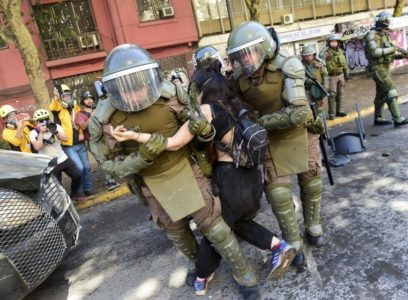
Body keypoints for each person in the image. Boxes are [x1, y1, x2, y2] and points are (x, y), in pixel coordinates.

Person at [110, 65, 297, 295]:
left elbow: (174, 143)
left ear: (202, 89)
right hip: (251, 178)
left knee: (216, 230)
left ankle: (201, 274)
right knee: (235, 224)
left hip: (230, 179)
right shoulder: (236, 104)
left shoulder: (207, 111)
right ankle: (278, 246)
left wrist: (135, 136)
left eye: (194, 88)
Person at [91, 44, 259, 299]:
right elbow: (109, 167)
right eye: (125, 87)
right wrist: (143, 156)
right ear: (113, 88)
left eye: (138, 84)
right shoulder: (103, 120)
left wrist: (204, 131)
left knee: (215, 228)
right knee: (178, 234)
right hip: (150, 183)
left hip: (186, 169)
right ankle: (202, 268)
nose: (134, 94)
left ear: (149, 78)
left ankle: (245, 276)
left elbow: (200, 130)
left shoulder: (172, 96)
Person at [226, 21, 327, 268]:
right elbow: (235, 108)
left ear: (264, 47)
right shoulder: (238, 79)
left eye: (249, 51)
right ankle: (293, 241)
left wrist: (258, 121)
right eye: (240, 55)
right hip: (269, 139)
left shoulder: (287, 65)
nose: (246, 59)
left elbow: (298, 114)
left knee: (311, 180)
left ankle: (313, 226)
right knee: (278, 193)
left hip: (300, 132)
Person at [364, 11, 408, 127]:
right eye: (388, 20)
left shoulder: (384, 35)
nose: (389, 23)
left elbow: (387, 54)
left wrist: (401, 56)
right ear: (383, 21)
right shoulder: (372, 35)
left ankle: (378, 117)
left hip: (384, 68)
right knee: (391, 89)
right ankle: (398, 118)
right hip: (377, 68)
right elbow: (375, 53)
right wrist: (392, 49)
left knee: (381, 94)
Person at [30, 109, 83, 202]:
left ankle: (74, 195)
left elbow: (65, 138)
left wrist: (54, 131)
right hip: (49, 163)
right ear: (36, 122)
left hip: (63, 158)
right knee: (58, 187)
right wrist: (41, 133)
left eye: (46, 119)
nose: (44, 122)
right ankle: (64, 203)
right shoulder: (34, 133)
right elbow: (37, 147)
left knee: (77, 175)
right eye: (41, 120)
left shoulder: (55, 126)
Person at [51, 84, 95, 197]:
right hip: (68, 146)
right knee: (79, 168)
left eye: (68, 95)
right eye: (64, 96)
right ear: (61, 97)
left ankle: (88, 188)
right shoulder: (59, 109)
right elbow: (53, 107)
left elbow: (78, 123)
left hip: (80, 144)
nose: (67, 98)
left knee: (86, 167)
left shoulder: (76, 108)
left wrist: (80, 133)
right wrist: (56, 97)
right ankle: (79, 192)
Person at [75, 91, 120, 191]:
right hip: (92, 140)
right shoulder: (80, 114)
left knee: (110, 156)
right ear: (82, 101)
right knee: (101, 159)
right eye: (86, 99)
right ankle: (109, 181)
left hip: (103, 137)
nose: (89, 100)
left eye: (90, 98)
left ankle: (113, 176)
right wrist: (91, 115)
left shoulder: (98, 109)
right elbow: (83, 126)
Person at [324, 33, 349, 120]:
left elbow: (344, 63)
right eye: (332, 42)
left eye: (335, 42)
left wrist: (346, 73)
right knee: (332, 95)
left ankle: (340, 110)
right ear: (329, 43)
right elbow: (322, 65)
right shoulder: (327, 53)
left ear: (338, 43)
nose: (334, 43)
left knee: (340, 94)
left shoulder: (341, 52)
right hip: (331, 77)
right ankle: (332, 113)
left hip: (340, 75)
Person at [301, 44, 329, 115]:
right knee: (310, 108)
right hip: (307, 89)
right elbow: (299, 77)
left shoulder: (319, 63)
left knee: (319, 108)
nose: (308, 57)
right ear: (303, 56)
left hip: (318, 88)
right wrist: (307, 80)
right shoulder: (300, 65)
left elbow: (325, 75)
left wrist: (325, 86)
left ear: (314, 54)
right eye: (306, 56)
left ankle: (321, 123)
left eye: (310, 55)